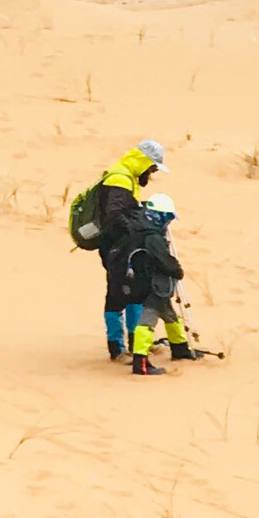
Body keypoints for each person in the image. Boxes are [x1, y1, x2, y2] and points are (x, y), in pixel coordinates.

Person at [118, 193, 207, 376]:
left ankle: (180, 348)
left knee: (168, 313)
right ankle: (140, 362)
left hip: (147, 280)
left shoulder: (141, 228)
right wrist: (175, 269)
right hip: (153, 282)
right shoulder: (152, 236)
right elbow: (162, 259)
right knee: (148, 319)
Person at [92, 139, 166, 359]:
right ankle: (116, 348)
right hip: (114, 245)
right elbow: (114, 215)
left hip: (125, 244)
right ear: (143, 161)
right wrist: (135, 229)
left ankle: (137, 342)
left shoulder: (128, 176)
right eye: (152, 167)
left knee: (136, 289)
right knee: (117, 293)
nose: (152, 173)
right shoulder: (119, 178)